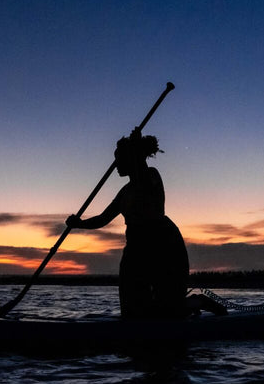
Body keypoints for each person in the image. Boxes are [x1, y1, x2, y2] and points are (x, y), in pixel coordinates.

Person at [66, 131, 190, 318]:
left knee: (167, 302)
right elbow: (103, 218)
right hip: (136, 247)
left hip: (163, 244)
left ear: (132, 158)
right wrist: (79, 224)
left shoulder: (151, 175)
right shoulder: (124, 192)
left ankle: (195, 303)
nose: (115, 165)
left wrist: (136, 146)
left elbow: (143, 181)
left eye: (119, 159)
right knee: (132, 304)